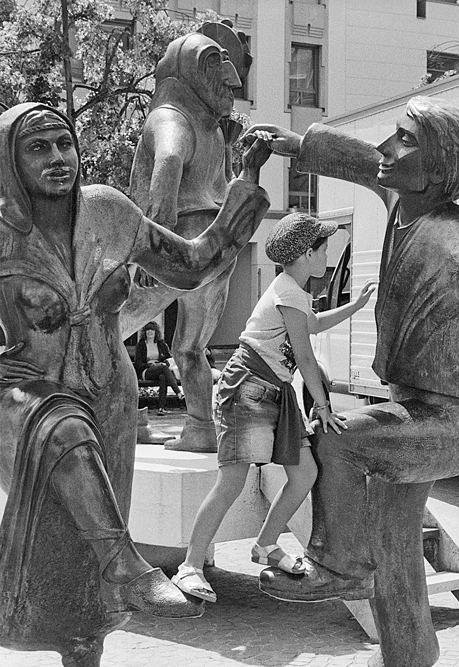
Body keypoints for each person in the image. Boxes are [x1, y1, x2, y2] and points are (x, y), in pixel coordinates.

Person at [244, 96, 459, 667]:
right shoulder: (402, 196)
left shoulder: (453, 232)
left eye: (405, 139)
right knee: (394, 546)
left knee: (338, 440)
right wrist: (298, 144)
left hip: (453, 419)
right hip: (412, 406)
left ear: (437, 169)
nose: (387, 148)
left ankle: (340, 563)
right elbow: (365, 160)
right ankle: (411, 653)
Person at [0, 102, 271, 665]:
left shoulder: (109, 213)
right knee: (61, 428)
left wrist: (243, 189)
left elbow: (191, 265)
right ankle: (127, 566)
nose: (58, 157)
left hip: (109, 397)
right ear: (8, 161)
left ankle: (87, 640)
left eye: (64, 143)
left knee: (84, 576)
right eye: (38, 148)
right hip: (25, 392)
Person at [171, 213, 376, 603]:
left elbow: (312, 325)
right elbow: (306, 356)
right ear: (307, 253)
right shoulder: (289, 292)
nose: (328, 256)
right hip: (247, 389)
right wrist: (323, 406)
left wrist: (356, 306)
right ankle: (190, 567)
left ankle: (266, 545)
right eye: (324, 248)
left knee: (305, 473)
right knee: (231, 481)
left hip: (274, 392)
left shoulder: (292, 291)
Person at [119, 23, 252, 453]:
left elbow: (169, 161)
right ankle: (199, 427)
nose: (233, 87)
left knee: (109, 332)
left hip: (179, 242)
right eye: (221, 75)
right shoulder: (212, 130)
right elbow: (227, 185)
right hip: (217, 246)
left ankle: (125, 421)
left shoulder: (171, 118)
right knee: (191, 347)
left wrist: (150, 250)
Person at [135, 321, 184, 415]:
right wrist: (150, 365)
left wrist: (162, 363)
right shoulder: (140, 345)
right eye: (148, 330)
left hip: (160, 369)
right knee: (163, 368)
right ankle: (178, 392)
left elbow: (169, 358)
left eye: (152, 330)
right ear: (144, 332)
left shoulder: (161, 344)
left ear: (156, 332)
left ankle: (161, 408)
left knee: (163, 377)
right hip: (146, 371)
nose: (150, 332)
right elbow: (138, 364)